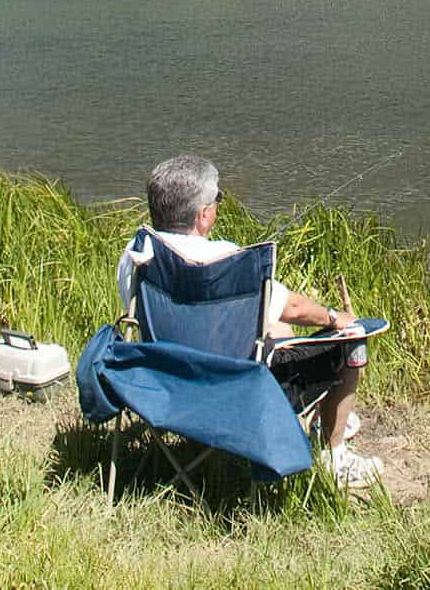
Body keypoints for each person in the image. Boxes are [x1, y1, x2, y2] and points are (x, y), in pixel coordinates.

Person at [117, 153, 383, 487]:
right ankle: (334, 456)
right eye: (217, 199)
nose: (218, 205)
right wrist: (334, 318)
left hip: (165, 385)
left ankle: (317, 422)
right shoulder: (227, 260)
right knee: (353, 337)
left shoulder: (136, 254)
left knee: (274, 327)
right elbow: (297, 308)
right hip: (233, 395)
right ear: (203, 214)